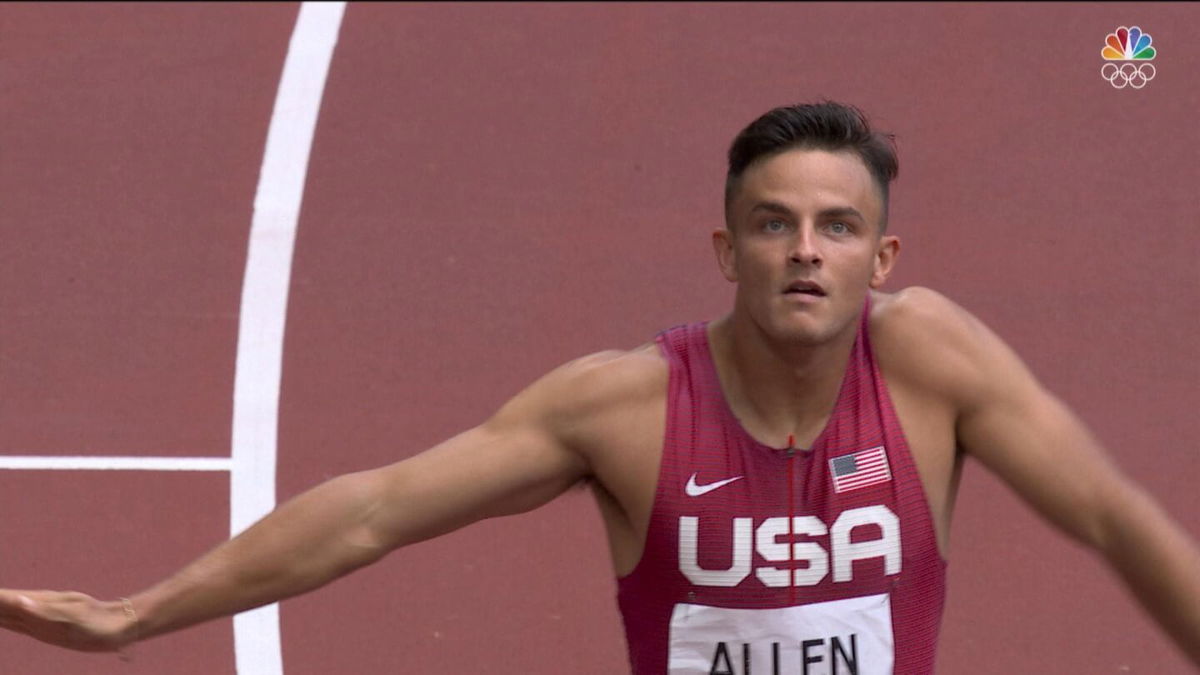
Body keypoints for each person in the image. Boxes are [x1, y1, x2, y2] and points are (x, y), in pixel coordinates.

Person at [1, 101, 1197, 674]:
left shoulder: (932, 363)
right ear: (726, 250)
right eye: (773, 225)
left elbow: (1110, 514)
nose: (804, 250)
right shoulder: (623, 407)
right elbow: (373, 509)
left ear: (882, 261)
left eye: (838, 228)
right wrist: (136, 614)